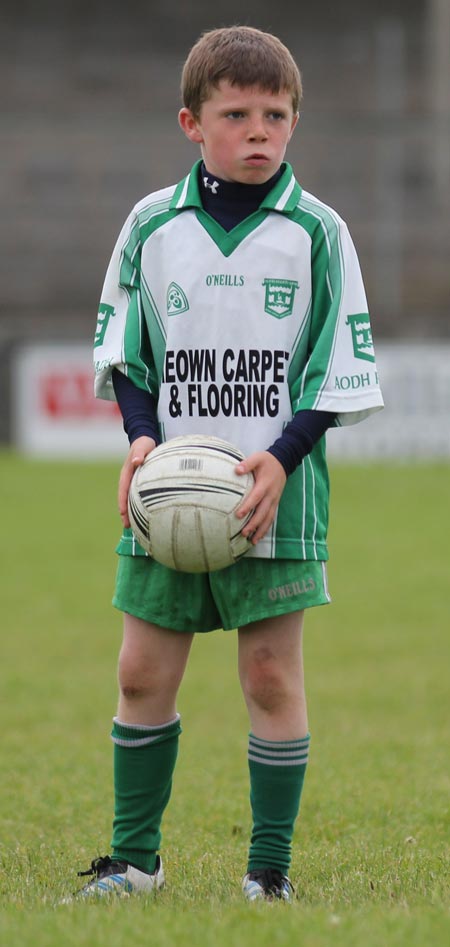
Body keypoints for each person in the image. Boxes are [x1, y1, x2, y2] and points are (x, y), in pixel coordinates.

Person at [80, 25, 383, 902]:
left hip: (274, 492)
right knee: (141, 671)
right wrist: (141, 438)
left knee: (270, 673)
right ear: (192, 122)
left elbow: (340, 369)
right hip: (166, 491)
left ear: (295, 122)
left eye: (277, 115)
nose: (260, 131)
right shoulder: (151, 225)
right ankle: (135, 864)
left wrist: (284, 458)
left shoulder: (319, 233)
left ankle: (269, 874)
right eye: (238, 114)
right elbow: (128, 354)